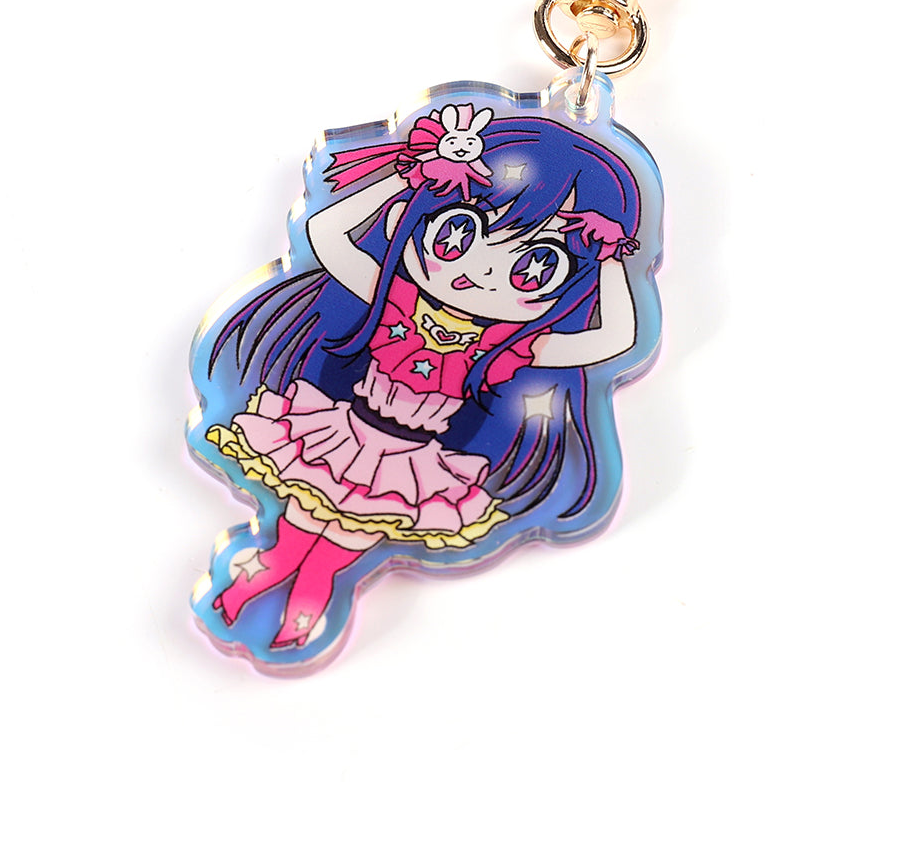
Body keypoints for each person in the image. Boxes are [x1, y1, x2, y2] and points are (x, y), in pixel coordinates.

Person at [201, 102, 643, 650]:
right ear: (413, 219)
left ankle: (293, 614)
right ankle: (250, 594)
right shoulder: (395, 298)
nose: (482, 270)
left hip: (410, 466)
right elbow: (327, 233)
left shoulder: (504, 345)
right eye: (458, 233)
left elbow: (613, 340)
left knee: (333, 553)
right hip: (338, 436)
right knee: (295, 538)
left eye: (537, 267)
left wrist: (610, 260)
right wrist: (411, 175)